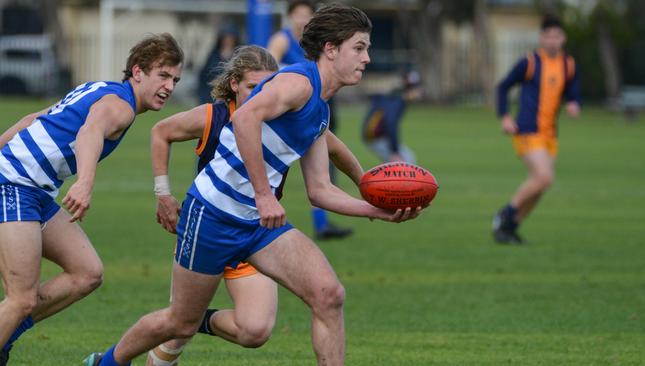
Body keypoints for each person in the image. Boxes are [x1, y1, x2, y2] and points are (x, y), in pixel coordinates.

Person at [85, 4, 422, 366]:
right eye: (359, 48)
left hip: (257, 226)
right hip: (212, 215)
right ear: (330, 49)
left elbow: (320, 190)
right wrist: (264, 195)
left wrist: (376, 211)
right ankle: (107, 363)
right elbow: (245, 118)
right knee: (180, 321)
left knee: (328, 294)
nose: (367, 58)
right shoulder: (298, 82)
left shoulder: (320, 111)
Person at [145, 45, 365, 366]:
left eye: (268, 85)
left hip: (254, 231)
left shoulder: (285, 114)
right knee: (178, 329)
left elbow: (334, 147)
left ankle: (196, 320)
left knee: (255, 331)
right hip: (210, 222)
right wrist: (163, 194)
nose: (262, 92)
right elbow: (160, 131)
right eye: (252, 86)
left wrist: (367, 185)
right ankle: (134, 352)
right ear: (235, 84)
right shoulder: (214, 115)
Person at [0, 33, 183, 365]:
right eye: (163, 75)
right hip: (12, 183)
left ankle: (5, 334)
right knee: (21, 299)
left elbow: (35, 120)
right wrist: (85, 182)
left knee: (87, 272)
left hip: (33, 190)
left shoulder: (98, 87)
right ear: (138, 72)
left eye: (175, 79)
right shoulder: (122, 106)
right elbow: (89, 133)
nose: (169, 87)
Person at [267, 0, 353, 240]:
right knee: (278, 165)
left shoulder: (318, 44)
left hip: (319, 105)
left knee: (322, 164)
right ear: (290, 17)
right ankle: (261, 209)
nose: (302, 19)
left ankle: (322, 223)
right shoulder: (282, 39)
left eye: (307, 15)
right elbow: (269, 66)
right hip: (293, 107)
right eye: (298, 14)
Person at [492, 15, 581, 245]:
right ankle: (506, 213)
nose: (552, 40)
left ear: (563, 38)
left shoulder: (568, 64)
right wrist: (504, 116)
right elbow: (503, 87)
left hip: (550, 134)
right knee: (544, 177)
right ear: (541, 38)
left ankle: (509, 230)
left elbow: (572, 90)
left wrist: (573, 103)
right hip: (527, 130)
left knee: (540, 186)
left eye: (556, 36)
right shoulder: (530, 62)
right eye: (548, 36)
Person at [361, 70, 422, 164]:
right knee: (407, 159)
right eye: (417, 89)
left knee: (398, 162)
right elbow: (390, 124)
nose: (419, 92)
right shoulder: (397, 101)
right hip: (375, 137)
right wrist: (395, 151)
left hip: (377, 136)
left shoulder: (395, 97)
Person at [197, 25, 240, 104]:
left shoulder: (238, 55)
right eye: (225, 38)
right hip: (212, 95)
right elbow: (204, 75)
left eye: (230, 38)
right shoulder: (213, 55)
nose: (228, 41)